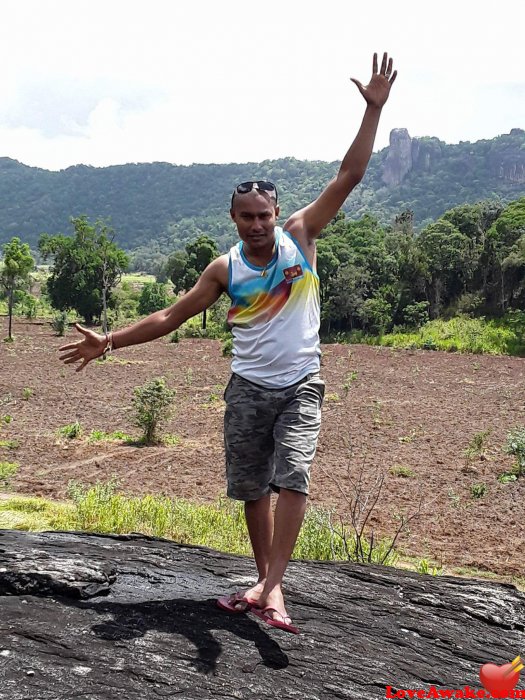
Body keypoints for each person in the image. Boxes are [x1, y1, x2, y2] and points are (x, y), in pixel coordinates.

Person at [59, 52, 397, 634]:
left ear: (276, 212)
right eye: (246, 217)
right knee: (250, 489)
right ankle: (267, 582)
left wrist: (372, 112)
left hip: (300, 384)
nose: (257, 224)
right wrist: (109, 341)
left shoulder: (301, 235)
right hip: (247, 390)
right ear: (234, 218)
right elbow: (170, 315)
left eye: (264, 214)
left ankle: (271, 588)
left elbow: (350, 176)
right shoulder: (226, 269)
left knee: (293, 475)